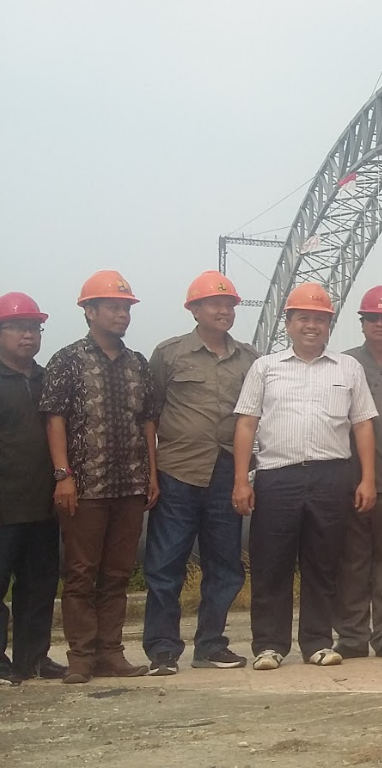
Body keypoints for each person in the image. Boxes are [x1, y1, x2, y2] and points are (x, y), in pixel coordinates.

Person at [232, 282, 378, 670]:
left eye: (319, 319)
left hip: (332, 476)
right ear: (288, 323)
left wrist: (367, 479)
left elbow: (363, 425)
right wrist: (241, 480)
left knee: (323, 564)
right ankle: (269, 645)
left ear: (329, 324)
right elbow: (246, 424)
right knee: (271, 563)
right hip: (277, 477)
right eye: (303, 318)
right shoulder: (265, 368)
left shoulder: (347, 368)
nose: (311, 325)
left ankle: (317, 641)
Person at [40, 270, 158, 683]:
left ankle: (111, 653)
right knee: (80, 573)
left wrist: (152, 473)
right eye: (113, 307)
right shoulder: (67, 360)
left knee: (117, 574)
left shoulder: (137, 364)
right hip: (85, 487)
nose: (122, 314)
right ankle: (81, 657)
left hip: (130, 485)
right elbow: (54, 419)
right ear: (89, 311)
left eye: (126, 308)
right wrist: (63, 475)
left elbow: (148, 421)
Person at [143, 272, 257, 676]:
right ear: (193, 309)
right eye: (214, 304)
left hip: (228, 471)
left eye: (229, 305)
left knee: (225, 565)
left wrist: (243, 476)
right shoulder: (169, 354)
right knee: (165, 563)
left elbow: (254, 417)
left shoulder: (249, 359)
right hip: (178, 470)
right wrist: (151, 472)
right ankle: (162, 649)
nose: (224, 310)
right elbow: (150, 415)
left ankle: (210, 644)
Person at [334, 286, 382, 660]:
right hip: (351, 480)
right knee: (351, 561)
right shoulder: (343, 364)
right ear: (362, 323)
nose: (380, 324)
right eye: (373, 318)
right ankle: (351, 635)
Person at [0, 293, 65, 685]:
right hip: (4, 506)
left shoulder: (47, 380)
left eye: (34, 328)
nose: (28, 336)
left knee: (39, 586)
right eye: (18, 328)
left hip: (43, 504)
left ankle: (33, 657)